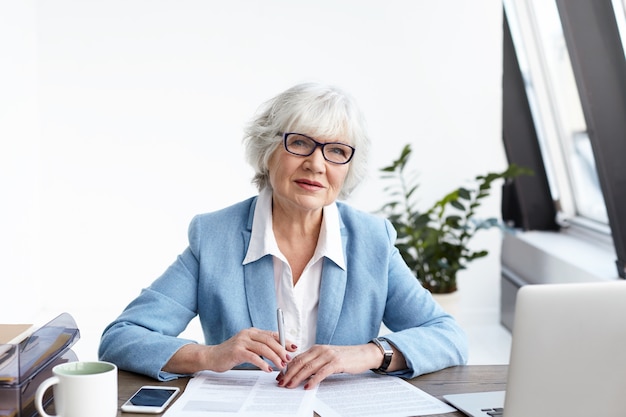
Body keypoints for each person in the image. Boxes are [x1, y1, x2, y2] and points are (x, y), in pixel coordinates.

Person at [98, 82, 468, 390]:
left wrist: (368, 353)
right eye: (300, 143)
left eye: (336, 151)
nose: (316, 164)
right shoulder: (213, 236)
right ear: (268, 150)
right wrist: (210, 356)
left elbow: (447, 336)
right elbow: (121, 338)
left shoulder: (372, 239)